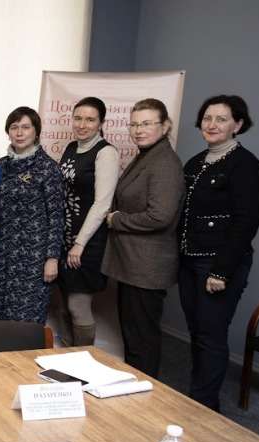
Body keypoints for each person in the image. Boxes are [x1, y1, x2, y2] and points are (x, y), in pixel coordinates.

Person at [178, 95, 259, 411]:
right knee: (196, 331)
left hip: (217, 265)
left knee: (211, 335)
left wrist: (221, 271)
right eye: (207, 118)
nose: (212, 124)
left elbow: (246, 223)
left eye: (221, 119)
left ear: (237, 125)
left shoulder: (246, 166)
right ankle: (197, 396)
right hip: (189, 261)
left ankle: (204, 408)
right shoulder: (195, 163)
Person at [103, 98, 184, 378]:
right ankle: (135, 385)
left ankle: (146, 390)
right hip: (133, 264)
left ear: (165, 126)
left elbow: (160, 217)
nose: (139, 130)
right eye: (134, 124)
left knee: (142, 339)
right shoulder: (147, 156)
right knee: (134, 335)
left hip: (146, 268)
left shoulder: (164, 163)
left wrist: (116, 219)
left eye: (147, 123)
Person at [0, 107, 64, 324]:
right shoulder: (2, 165)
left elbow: (56, 217)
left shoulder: (48, 168)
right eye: (14, 127)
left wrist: (52, 259)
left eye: (26, 127)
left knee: (24, 322)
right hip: (3, 255)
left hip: (33, 258)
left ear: (36, 132)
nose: (19, 133)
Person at [56, 96, 120, 346]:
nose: (82, 125)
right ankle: (66, 357)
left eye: (90, 120)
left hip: (86, 242)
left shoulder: (106, 153)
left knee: (78, 305)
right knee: (63, 304)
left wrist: (79, 243)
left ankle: (83, 359)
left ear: (101, 123)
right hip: (64, 239)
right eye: (78, 118)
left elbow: (102, 203)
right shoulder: (72, 147)